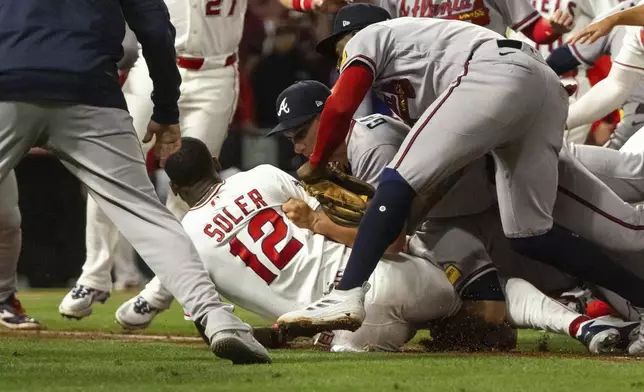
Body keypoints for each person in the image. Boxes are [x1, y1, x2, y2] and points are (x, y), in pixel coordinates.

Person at [274, 4, 644, 351]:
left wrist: (320, 160)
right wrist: (393, 218)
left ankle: (347, 293)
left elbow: (341, 103)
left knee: (396, 179)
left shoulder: (374, 36)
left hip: (497, 77)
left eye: (341, 48)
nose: (341, 57)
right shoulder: (414, 73)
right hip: (531, 93)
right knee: (535, 235)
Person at [0, 0, 270, 364]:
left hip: (10, 82)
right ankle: (215, 317)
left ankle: (95, 280)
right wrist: (166, 110)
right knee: (147, 215)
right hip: (90, 87)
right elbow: (156, 29)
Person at [60, 0, 254, 320]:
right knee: (107, 164)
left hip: (215, 74)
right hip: (155, 66)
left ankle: (164, 286)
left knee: (195, 186)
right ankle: (94, 274)